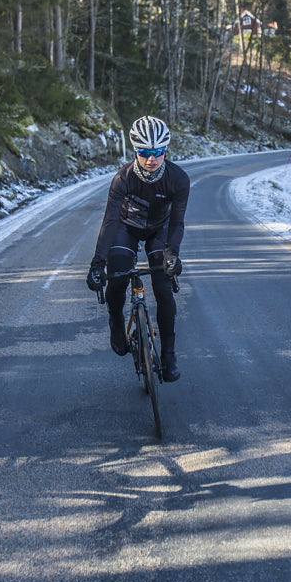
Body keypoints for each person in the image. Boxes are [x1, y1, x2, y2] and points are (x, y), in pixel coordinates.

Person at [86, 116, 189, 382]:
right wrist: (97, 264)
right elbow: (109, 222)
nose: (151, 159)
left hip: (159, 229)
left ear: (165, 150)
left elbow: (177, 223)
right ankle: (116, 322)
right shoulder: (123, 178)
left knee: (164, 287)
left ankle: (168, 354)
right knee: (117, 276)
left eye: (157, 152)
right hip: (126, 226)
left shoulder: (178, 179)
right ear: (135, 150)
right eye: (144, 152)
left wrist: (173, 255)